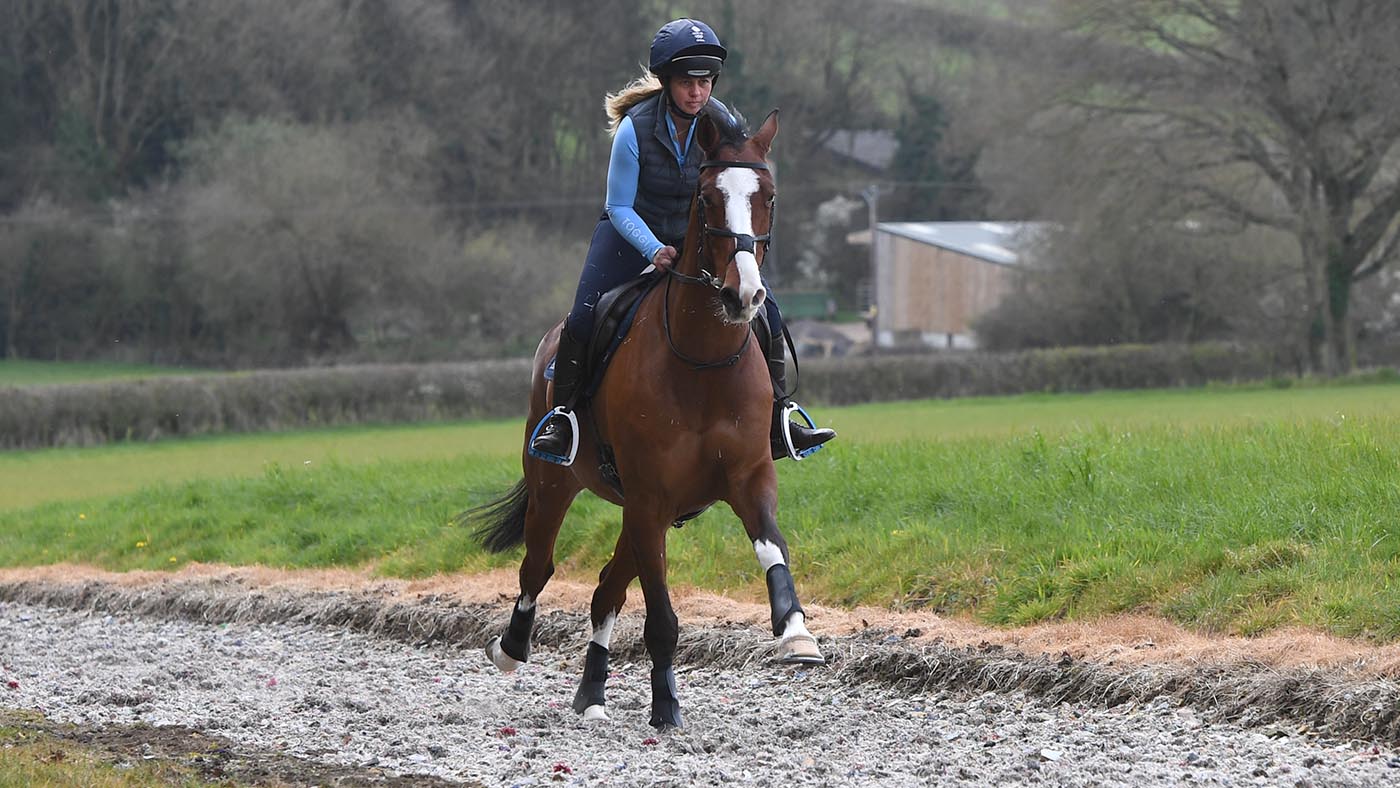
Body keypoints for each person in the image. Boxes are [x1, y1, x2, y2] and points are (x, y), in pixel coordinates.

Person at [529, 18, 835, 465]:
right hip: (631, 232)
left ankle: (779, 416)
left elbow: (739, 186)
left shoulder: (724, 123)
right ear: (667, 82)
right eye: (688, 83)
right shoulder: (635, 129)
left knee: (765, 308)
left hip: (700, 232)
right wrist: (653, 248)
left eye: (705, 82)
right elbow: (618, 206)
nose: (698, 92)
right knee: (585, 314)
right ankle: (563, 418)